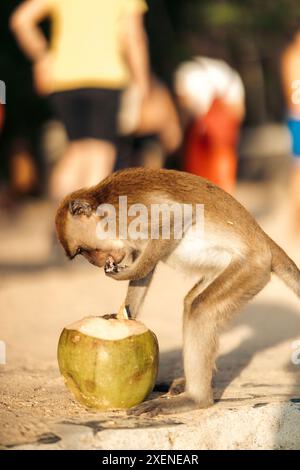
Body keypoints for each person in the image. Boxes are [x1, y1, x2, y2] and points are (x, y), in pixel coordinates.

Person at [10, 0, 151, 201]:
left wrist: (42, 58)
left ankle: (61, 218)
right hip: (106, 79)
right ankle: (84, 225)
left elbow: (21, 20)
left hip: (63, 81)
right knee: (100, 153)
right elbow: (133, 36)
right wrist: (142, 84)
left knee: (76, 150)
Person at [175, 57, 245, 194]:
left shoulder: (187, 74)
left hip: (202, 140)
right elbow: (239, 112)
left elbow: (187, 108)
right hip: (222, 142)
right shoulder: (230, 75)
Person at [281, 29, 300, 235]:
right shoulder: (293, 58)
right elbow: (294, 94)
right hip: (298, 118)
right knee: (298, 169)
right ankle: (296, 219)